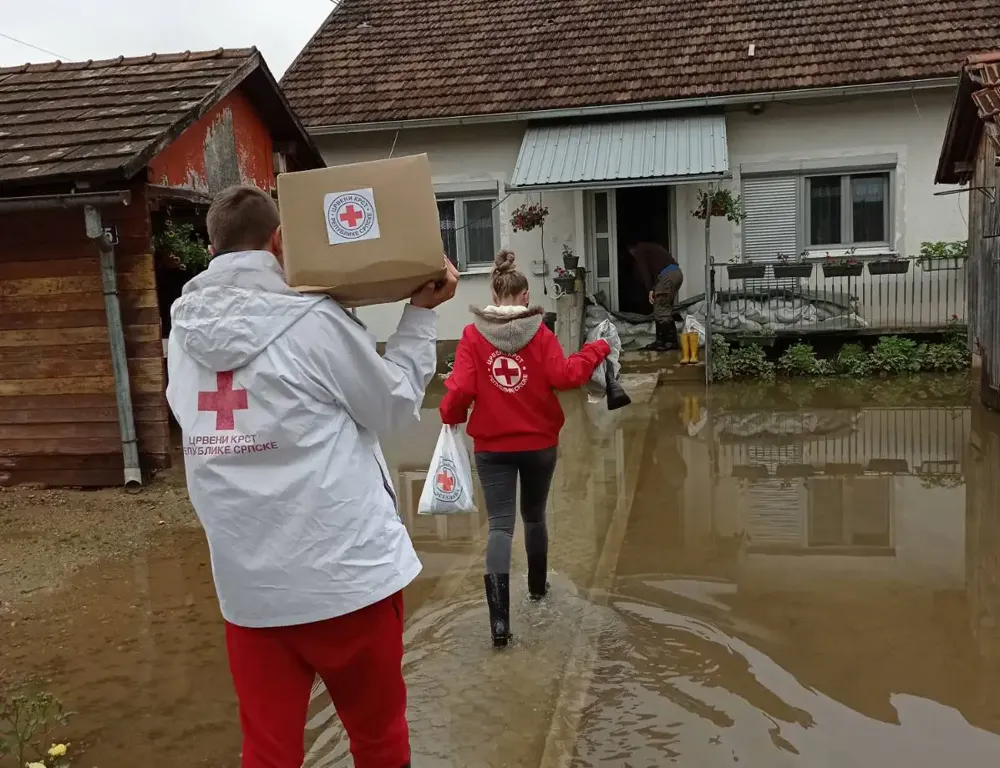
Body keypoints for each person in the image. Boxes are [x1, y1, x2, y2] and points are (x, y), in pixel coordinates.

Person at [165, 184, 458, 768]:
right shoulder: (313, 322)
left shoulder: (181, 338)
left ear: (211, 247)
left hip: (250, 592)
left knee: (268, 752)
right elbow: (394, 405)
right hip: (346, 577)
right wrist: (420, 317)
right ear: (279, 241)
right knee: (376, 738)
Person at [439, 250, 611, 647]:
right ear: (524, 295)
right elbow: (566, 376)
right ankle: (537, 593)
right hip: (539, 445)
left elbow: (462, 389)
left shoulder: (472, 335)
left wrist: (449, 415)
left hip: (492, 448)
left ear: (495, 297)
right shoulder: (540, 332)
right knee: (534, 517)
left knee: (501, 526)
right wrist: (597, 349)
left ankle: (499, 624)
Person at [627, 241, 683, 351]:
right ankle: (662, 341)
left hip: (667, 275)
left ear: (630, 249)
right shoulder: (652, 248)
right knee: (664, 306)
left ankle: (669, 341)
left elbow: (645, 271)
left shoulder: (639, 250)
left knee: (660, 307)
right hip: (677, 273)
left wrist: (650, 289)